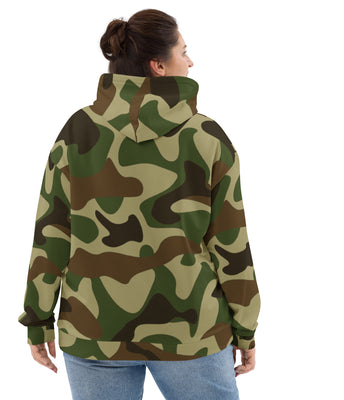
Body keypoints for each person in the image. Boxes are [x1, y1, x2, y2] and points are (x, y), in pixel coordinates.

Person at [18, 8, 261, 400]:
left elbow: (52, 233)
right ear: (158, 66)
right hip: (191, 332)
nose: (191, 62)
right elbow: (230, 243)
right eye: (184, 51)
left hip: (94, 331)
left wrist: (38, 318)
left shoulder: (78, 130)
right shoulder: (207, 137)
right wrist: (245, 327)